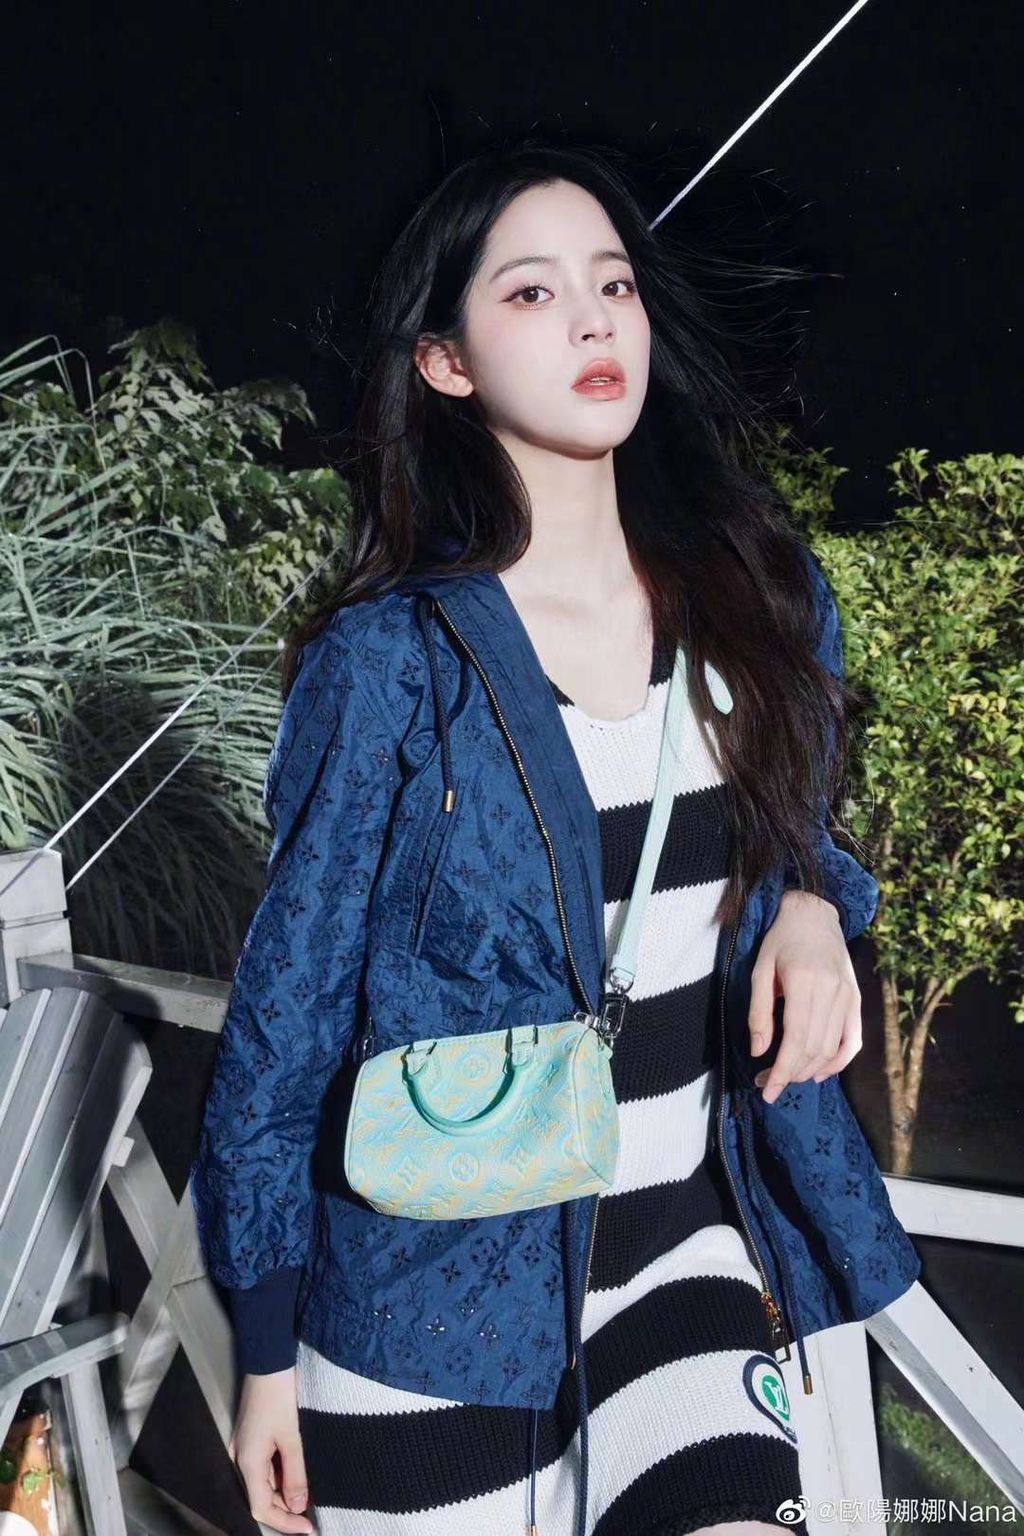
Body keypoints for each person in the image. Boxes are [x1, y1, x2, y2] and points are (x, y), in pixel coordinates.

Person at [189, 137, 921, 1536]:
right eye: (531, 293)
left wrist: (817, 903)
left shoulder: (757, 602)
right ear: (445, 362)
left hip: (687, 1249)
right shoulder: (394, 662)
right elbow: (288, 1016)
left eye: (614, 284)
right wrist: (263, 1350)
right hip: (436, 1306)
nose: (593, 320)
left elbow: (803, 817)